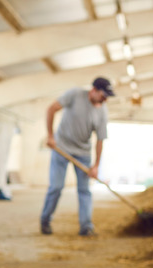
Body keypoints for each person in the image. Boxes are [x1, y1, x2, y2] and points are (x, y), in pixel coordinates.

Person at [40, 77, 114, 236]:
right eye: (103, 95)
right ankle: (45, 220)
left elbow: (100, 140)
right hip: (61, 148)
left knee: (84, 190)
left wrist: (96, 166)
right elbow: (51, 109)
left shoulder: (102, 111)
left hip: (83, 153)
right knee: (56, 187)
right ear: (93, 90)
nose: (105, 99)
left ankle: (86, 226)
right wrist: (50, 136)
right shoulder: (75, 95)